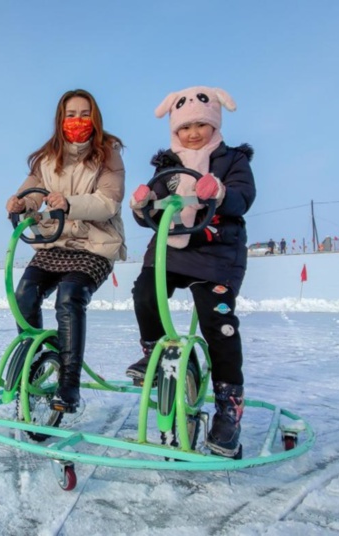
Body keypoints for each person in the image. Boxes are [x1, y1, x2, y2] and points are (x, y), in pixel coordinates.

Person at [127, 85, 255, 457]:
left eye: (201, 124)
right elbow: (152, 214)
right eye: (185, 127)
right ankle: (153, 350)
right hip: (171, 249)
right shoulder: (167, 164)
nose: (193, 133)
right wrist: (143, 205)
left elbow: (243, 197)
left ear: (215, 124)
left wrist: (218, 192)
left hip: (216, 253)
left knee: (219, 323)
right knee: (145, 291)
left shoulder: (232, 160)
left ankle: (228, 408)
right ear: (174, 130)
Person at [5, 89, 126, 413]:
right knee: (24, 295)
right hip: (55, 242)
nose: (77, 121)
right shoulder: (47, 157)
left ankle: (69, 385)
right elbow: (33, 191)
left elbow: (108, 202)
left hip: (95, 244)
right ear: (61, 118)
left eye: (84, 114)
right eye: (70, 114)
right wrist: (20, 202)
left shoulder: (108, 154)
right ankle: (34, 365)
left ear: (94, 117)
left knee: (70, 296)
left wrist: (69, 204)